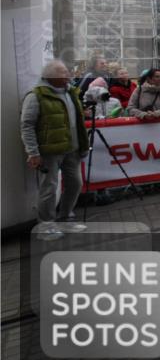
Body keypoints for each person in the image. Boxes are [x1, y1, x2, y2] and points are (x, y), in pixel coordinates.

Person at [20, 59, 90, 239]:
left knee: (75, 184)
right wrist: (33, 152)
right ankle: (46, 226)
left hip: (72, 150)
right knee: (49, 188)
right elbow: (27, 125)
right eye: (63, 73)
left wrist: (82, 145)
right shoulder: (36, 96)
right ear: (50, 76)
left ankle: (65, 218)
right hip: (49, 152)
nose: (68, 75)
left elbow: (78, 122)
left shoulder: (71, 92)